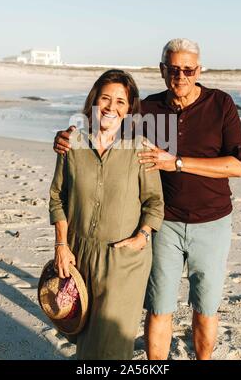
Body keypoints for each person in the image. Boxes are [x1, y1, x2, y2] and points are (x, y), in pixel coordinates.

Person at [54, 38, 241, 360]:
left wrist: (178, 162)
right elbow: (107, 124)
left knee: (206, 307)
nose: (181, 76)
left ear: (199, 70)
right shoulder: (148, 109)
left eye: (188, 69)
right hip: (164, 225)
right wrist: (64, 137)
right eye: (174, 69)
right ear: (162, 70)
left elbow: (239, 166)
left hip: (213, 222)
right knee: (159, 309)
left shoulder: (221, 104)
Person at [50, 69, 164, 360]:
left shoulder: (141, 149)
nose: (111, 107)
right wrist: (61, 245)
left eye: (121, 102)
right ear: (94, 102)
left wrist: (142, 237)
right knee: (84, 334)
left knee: (114, 341)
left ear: (129, 110)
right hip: (78, 254)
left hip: (124, 259)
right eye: (105, 98)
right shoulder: (71, 144)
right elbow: (57, 197)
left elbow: (154, 203)